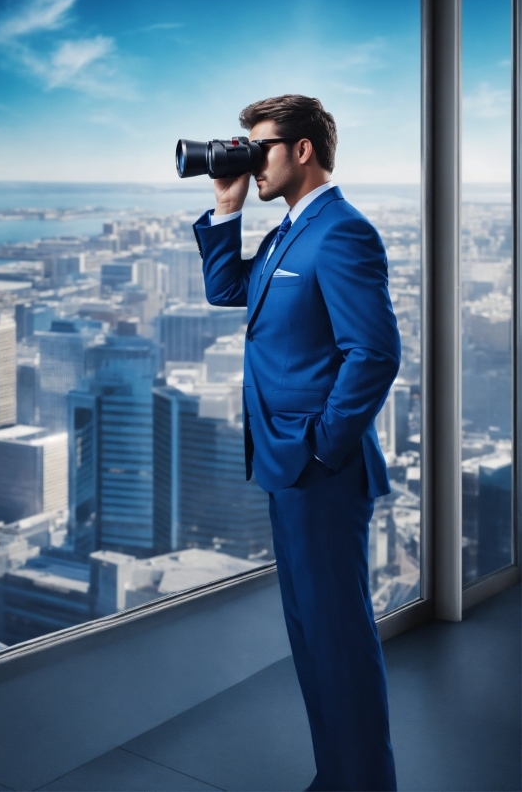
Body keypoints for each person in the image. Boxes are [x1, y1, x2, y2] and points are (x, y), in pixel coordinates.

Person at [192, 95, 400, 792]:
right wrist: (228, 201)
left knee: (337, 638)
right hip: (290, 468)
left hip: (321, 470)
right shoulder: (288, 232)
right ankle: (338, 774)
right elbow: (229, 289)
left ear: (303, 150)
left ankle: (364, 782)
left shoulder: (342, 233)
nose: (253, 161)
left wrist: (320, 447)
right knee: (312, 638)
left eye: (261, 149)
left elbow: (373, 353)